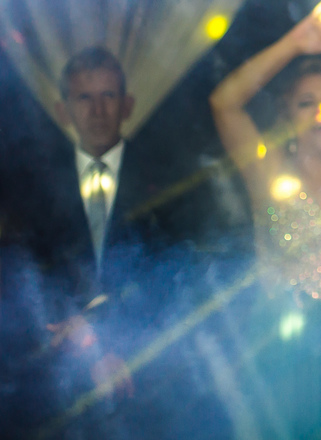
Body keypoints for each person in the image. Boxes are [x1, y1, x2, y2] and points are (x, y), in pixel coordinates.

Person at [0, 47, 232, 438]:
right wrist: (81, 339)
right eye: (84, 97)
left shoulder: (171, 178)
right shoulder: (34, 188)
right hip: (61, 390)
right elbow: (28, 273)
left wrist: (108, 331)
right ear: (62, 110)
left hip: (154, 378)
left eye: (108, 95)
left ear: (127, 105)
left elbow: (180, 270)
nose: (97, 110)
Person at [209, 0, 321, 440]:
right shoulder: (268, 176)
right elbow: (224, 103)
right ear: (288, 118)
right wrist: (294, 44)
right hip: (284, 357)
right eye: (306, 103)